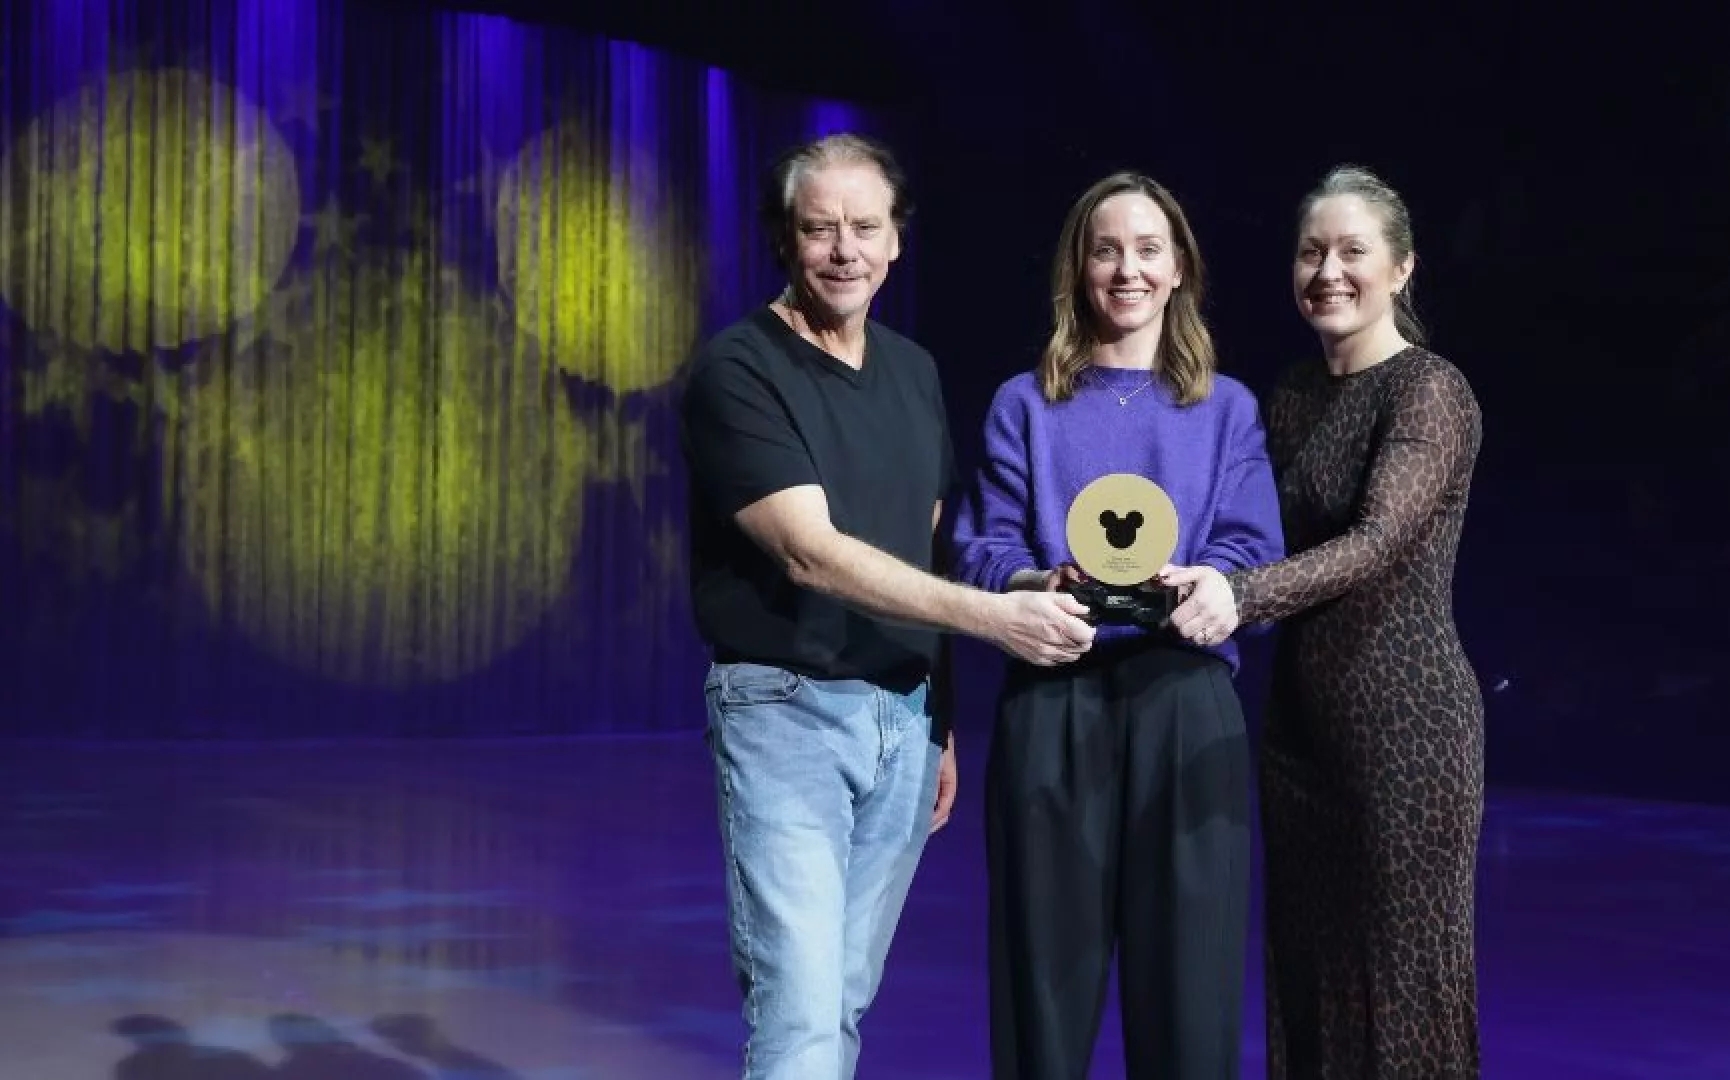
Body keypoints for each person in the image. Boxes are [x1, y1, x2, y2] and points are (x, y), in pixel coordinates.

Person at [678, 132, 1098, 1080]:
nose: (844, 250)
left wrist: (942, 717)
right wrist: (996, 622)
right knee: (798, 1007)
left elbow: (926, 543)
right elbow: (811, 554)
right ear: (784, 241)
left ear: (897, 240)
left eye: (865, 227)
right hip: (784, 708)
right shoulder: (738, 370)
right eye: (819, 229)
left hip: (902, 722)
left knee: (841, 1006)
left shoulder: (912, 371)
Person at [950, 171, 1285, 1080]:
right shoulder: (1026, 403)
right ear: (1078, 268)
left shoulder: (1228, 408)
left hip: (1185, 704)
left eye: (1147, 250)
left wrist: (1221, 587)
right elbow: (980, 547)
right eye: (1107, 249)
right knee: (1042, 990)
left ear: (1180, 271)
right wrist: (1036, 578)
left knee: (1191, 993)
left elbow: (1253, 552)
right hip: (1055, 701)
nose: (1126, 269)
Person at [1162, 165, 1485, 1078]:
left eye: (1353, 251)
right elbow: (1234, 525)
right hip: (1299, 733)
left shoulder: (1429, 389)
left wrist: (1243, 596)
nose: (1328, 271)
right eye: (1312, 251)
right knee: (1309, 977)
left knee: (1399, 982)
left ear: (1402, 268)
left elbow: (1381, 540)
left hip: (1406, 731)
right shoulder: (1294, 392)